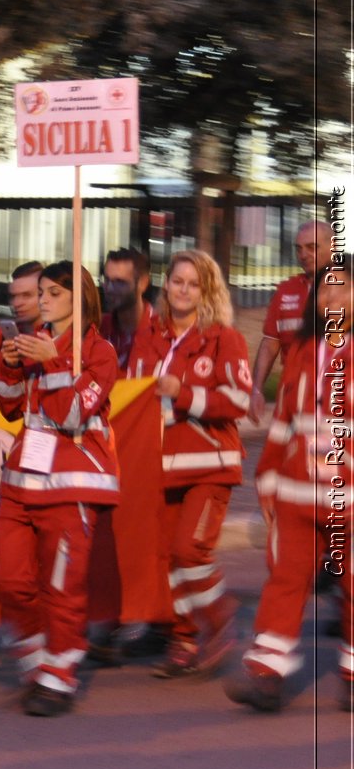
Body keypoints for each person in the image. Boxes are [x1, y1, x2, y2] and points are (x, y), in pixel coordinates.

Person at [0, 261, 120, 716]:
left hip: (72, 480)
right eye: (41, 291)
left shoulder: (100, 352)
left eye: (54, 293)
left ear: (79, 298)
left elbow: (70, 416)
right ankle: (35, 651)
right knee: (8, 576)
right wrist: (7, 368)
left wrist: (56, 362)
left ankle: (59, 674)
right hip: (21, 477)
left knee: (63, 585)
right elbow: (9, 408)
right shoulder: (30, 342)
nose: (42, 299)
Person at [228, 262, 353, 713]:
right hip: (298, 493)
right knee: (285, 579)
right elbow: (283, 421)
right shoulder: (301, 350)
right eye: (324, 291)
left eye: (342, 290)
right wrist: (268, 477)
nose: (331, 299)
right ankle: (267, 674)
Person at [127, 250, 248, 678]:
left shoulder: (223, 338)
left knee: (189, 550)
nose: (183, 289)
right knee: (164, 557)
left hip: (210, 465)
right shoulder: (148, 336)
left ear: (207, 291)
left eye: (193, 284)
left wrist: (182, 393)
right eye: (177, 281)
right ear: (166, 285)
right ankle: (184, 637)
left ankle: (218, 617)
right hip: (160, 465)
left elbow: (238, 402)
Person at [249, 220, 334, 423]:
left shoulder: (348, 290)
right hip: (293, 400)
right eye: (299, 249)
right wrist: (256, 389)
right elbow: (270, 343)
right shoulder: (286, 290)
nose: (303, 255)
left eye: (312, 247)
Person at [100, 248, 156, 370]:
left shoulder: (162, 330)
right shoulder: (99, 329)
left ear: (143, 283)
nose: (109, 288)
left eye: (119, 282)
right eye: (106, 280)